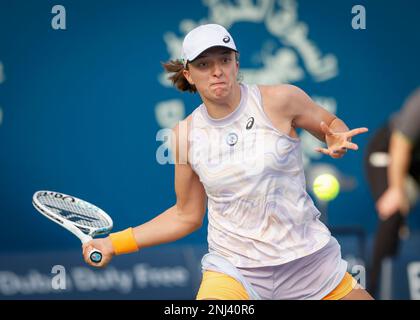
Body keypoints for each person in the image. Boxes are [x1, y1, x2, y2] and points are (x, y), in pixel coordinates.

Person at [82, 24, 373, 300]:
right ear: (189, 75)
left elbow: (331, 125)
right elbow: (186, 215)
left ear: (237, 64)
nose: (217, 71)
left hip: (311, 266)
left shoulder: (282, 99)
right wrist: (113, 243)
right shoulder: (184, 135)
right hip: (235, 272)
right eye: (204, 65)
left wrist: (335, 136)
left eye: (224, 60)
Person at [364, 87, 420, 297]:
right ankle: (377, 290)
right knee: (393, 209)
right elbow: (400, 145)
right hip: (388, 150)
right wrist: (397, 190)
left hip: (415, 161)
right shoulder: (419, 103)